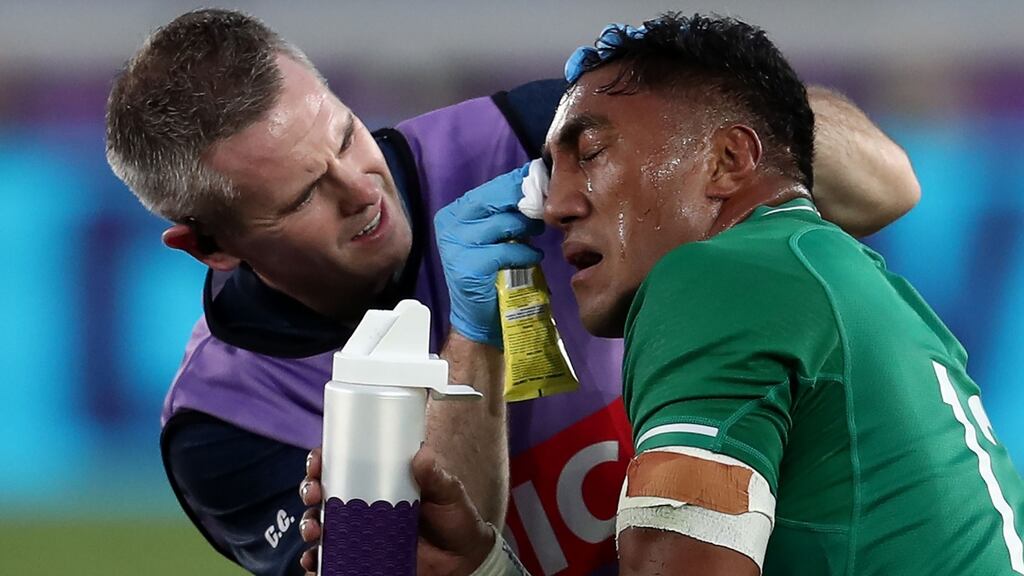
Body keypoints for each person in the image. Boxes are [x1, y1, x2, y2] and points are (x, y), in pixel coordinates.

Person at [105, 9, 920, 576]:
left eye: (347, 135)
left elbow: (883, 189)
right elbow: (442, 564)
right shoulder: (228, 422)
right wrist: (476, 333)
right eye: (300, 197)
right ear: (208, 246)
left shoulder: (523, 137)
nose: (360, 191)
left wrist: (700, 91)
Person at [336, 13, 1023, 575]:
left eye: (591, 151)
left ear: (727, 161)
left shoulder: (712, 275)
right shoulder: (864, 285)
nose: (556, 204)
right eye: (551, 168)